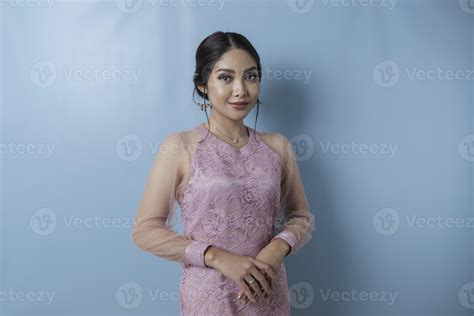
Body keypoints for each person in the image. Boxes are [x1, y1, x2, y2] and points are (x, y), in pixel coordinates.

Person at [131, 31, 315, 315]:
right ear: (203, 85)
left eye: (251, 76)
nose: (241, 89)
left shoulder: (277, 146)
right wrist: (215, 256)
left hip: (268, 291)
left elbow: (301, 218)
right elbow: (145, 230)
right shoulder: (180, 146)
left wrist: (278, 247)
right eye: (226, 77)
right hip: (210, 297)